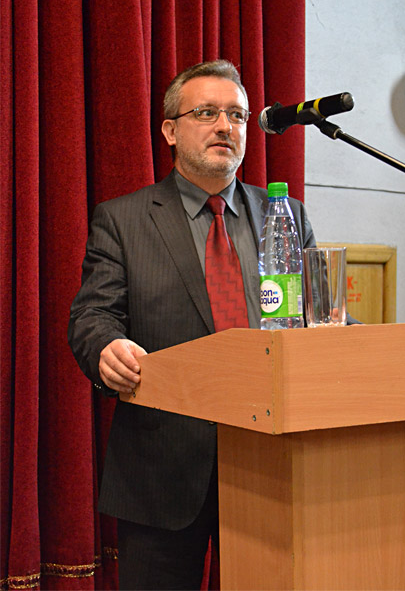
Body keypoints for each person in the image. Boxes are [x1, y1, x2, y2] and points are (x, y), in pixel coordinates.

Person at [68, 60, 316, 590]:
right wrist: (107, 347)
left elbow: (318, 314)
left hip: (273, 459)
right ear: (170, 131)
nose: (225, 126)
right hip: (164, 468)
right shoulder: (124, 219)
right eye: (206, 113)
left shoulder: (286, 215)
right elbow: (93, 316)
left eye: (237, 115)